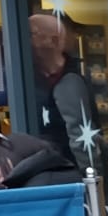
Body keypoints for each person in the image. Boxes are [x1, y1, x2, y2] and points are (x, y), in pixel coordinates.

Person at [30, 13, 99, 166]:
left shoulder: (70, 81)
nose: (25, 40)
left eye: (31, 34)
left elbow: (81, 135)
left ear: (53, 40)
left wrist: (92, 177)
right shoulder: (28, 81)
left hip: (69, 174)